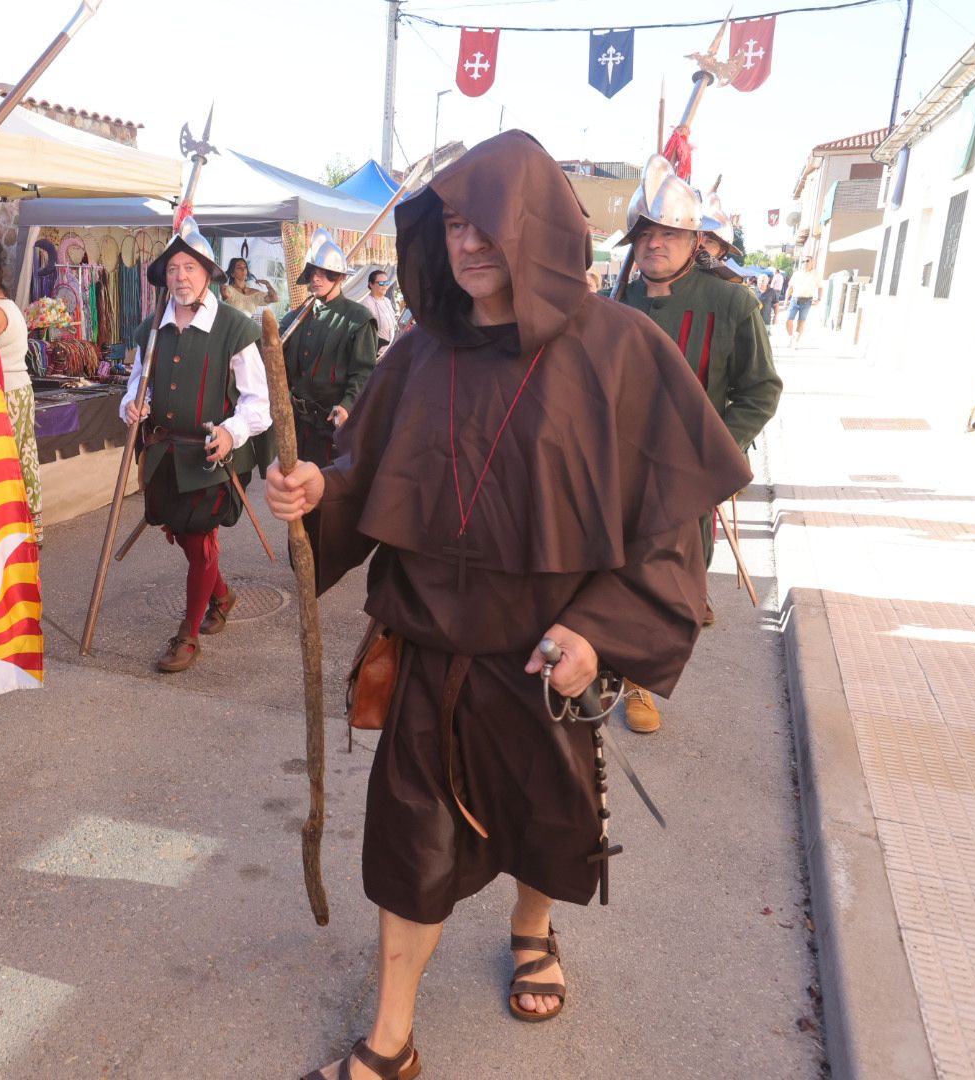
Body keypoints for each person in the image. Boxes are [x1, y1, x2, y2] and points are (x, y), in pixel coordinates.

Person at [267, 131, 750, 1079]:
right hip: (428, 649)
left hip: (542, 657)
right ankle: (390, 1041)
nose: (467, 243)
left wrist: (598, 632)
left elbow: (668, 529)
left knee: (544, 823)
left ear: (536, 230)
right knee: (409, 846)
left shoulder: (619, 349)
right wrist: (323, 490)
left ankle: (533, 929)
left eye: (487, 224)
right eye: (453, 224)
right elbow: (366, 470)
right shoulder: (418, 352)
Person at [617, 155, 783, 733]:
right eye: (646, 233)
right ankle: (618, 673)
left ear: (694, 240)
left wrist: (715, 454)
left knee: (665, 585)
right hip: (615, 472)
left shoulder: (732, 304)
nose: (655, 243)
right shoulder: (613, 305)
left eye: (669, 232)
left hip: (684, 479)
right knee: (611, 577)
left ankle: (641, 677)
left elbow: (760, 390)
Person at [123, 218, 271, 674]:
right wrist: (134, 405)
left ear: (208, 273)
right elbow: (137, 385)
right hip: (164, 454)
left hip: (211, 458)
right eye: (172, 269)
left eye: (189, 267)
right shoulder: (152, 327)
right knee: (186, 536)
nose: (180, 276)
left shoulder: (234, 328)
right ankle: (221, 595)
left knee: (202, 539)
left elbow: (258, 402)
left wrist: (230, 432)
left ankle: (188, 634)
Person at [280, 230, 378, 466]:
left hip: (330, 426)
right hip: (295, 424)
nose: (317, 278)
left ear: (340, 277)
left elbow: (363, 373)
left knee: (324, 486)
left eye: (325, 273)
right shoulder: (294, 319)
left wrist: (347, 405)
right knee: (292, 484)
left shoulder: (358, 319)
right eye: (313, 272)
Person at [0, 238, 41, 546]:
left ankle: (14, 527)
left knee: (7, 459)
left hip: (7, 392)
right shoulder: (10, 307)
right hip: (20, 389)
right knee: (23, 456)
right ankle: (30, 525)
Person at [784, 256, 823, 346]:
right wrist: (786, 299)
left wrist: (819, 299)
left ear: (812, 262)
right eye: (803, 261)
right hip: (794, 299)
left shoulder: (816, 274)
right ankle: (790, 337)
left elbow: (820, 287)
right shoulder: (797, 274)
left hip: (807, 300)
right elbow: (790, 287)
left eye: (807, 261)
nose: (805, 263)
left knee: (801, 322)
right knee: (788, 320)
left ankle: (796, 341)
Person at [363, 268, 398, 349]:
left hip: (390, 348)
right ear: (371, 284)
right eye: (381, 283)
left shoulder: (387, 301)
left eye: (387, 283)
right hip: (376, 350)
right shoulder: (367, 304)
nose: (385, 286)